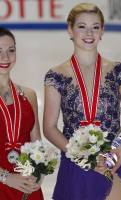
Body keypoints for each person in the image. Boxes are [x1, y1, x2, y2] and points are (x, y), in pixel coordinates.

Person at [43, 3, 121, 200]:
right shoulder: (55, 75)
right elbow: (49, 127)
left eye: (95, 27)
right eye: (82, 26)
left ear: (102, 31)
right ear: (70, 30)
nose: (89, 33)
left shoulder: (118, 71)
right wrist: (79, 155)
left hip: (111, 161)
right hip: (75, 165)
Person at [0, 27, 44, 199]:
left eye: (11, 50)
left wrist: (39, 173)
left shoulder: (29, 95)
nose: (5, 57)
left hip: (26, 188)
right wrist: (7, 177)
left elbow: (37, 146)